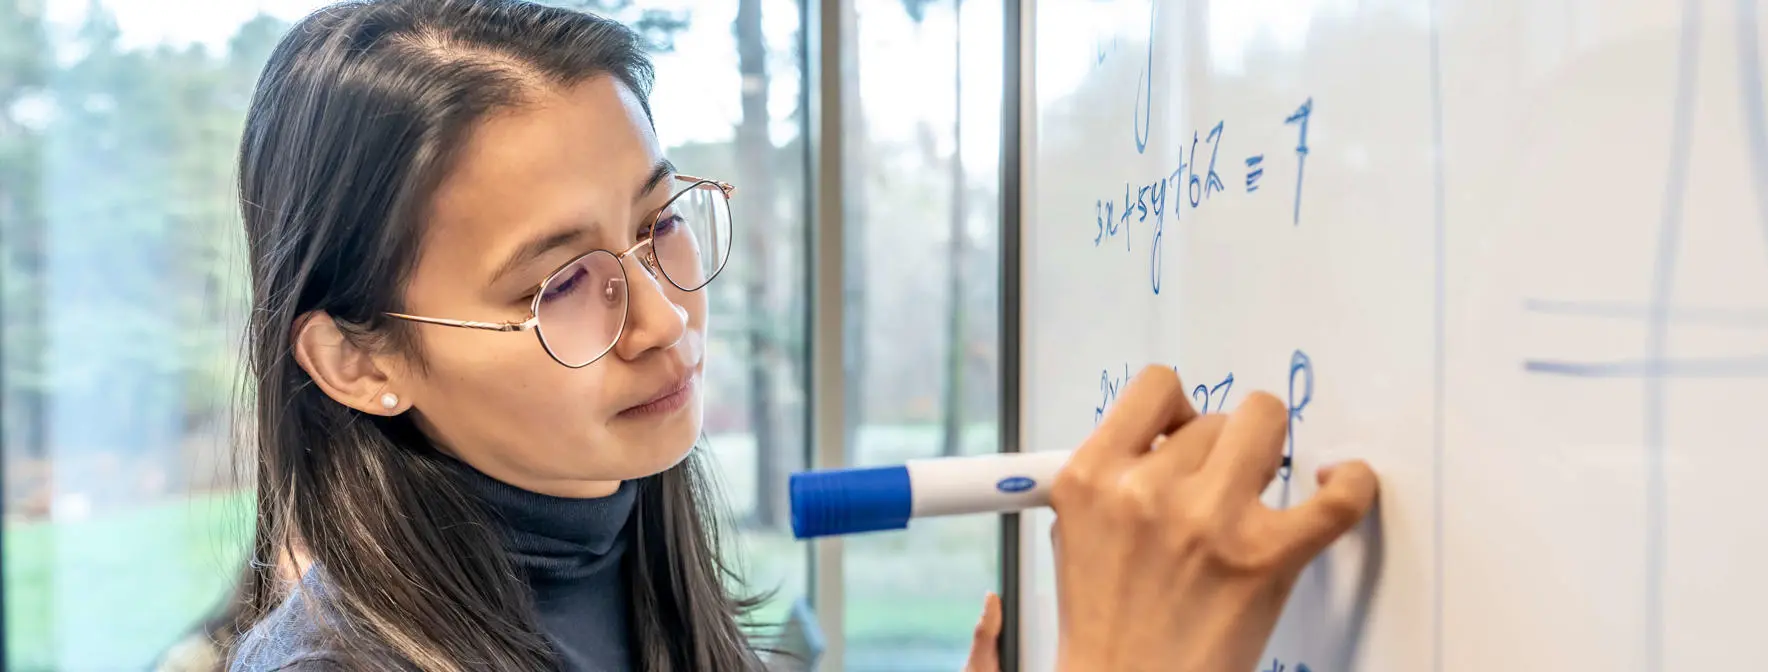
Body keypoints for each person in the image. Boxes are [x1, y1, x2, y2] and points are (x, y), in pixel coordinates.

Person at [224, 1, 1380, 670]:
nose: (669, 317)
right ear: (359, 362)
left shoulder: (627, 550)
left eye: (661, 224)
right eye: (566, 284)